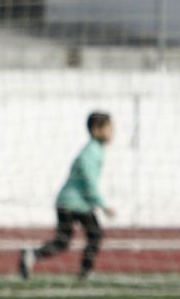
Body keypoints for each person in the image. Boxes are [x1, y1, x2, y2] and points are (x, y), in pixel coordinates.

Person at [20, 112, 115, 283]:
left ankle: (33, 255)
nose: (112, 132)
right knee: (93, 235)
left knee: (66, 241)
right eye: (109, 128)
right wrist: (103, 205)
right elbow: (89, 181)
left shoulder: (95, 150)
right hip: (74, 204)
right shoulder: (90, 153)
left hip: (72, 203)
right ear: (96, 130)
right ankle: (85, 272)